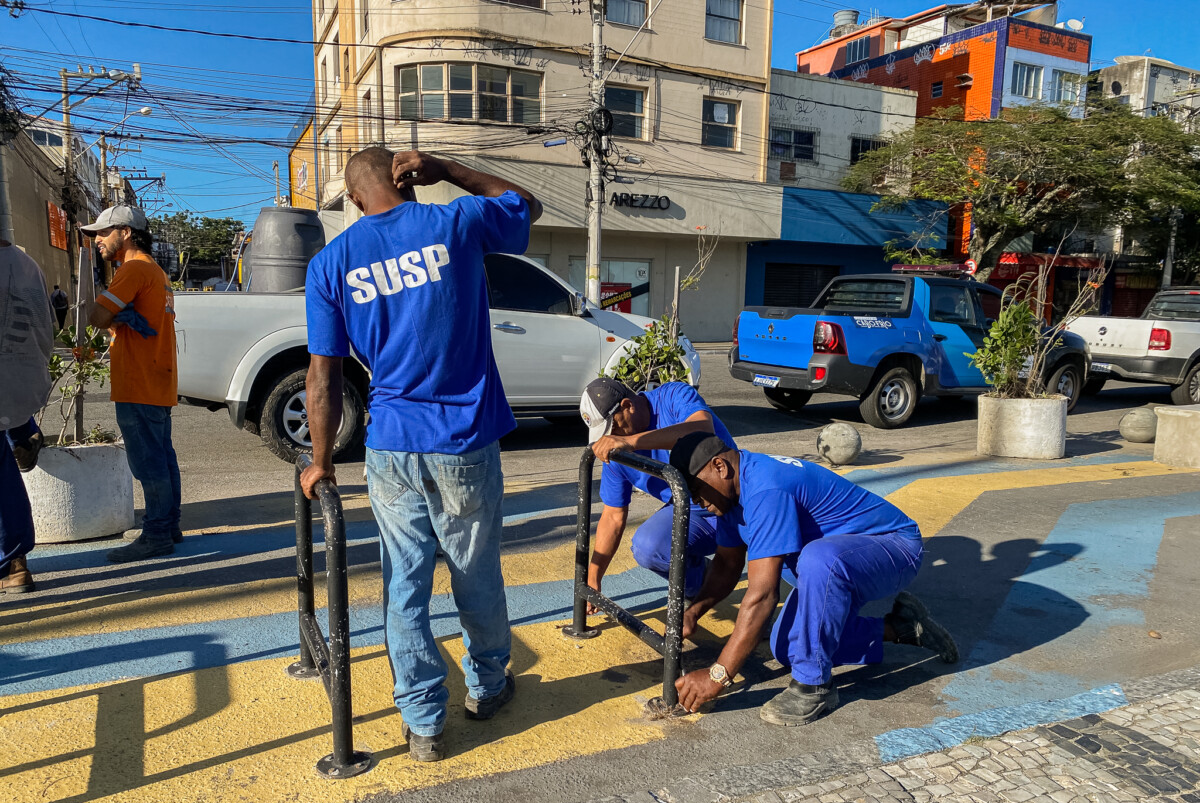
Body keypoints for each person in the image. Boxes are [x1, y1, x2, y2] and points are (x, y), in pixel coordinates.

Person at [302, 146, 542, 763]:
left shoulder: (332, 264)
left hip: (391, 445)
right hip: (464, 440)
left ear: (355, 200)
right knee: (475, 572)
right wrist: (451, 168)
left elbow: (322, 378)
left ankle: (424, 723)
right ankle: (487, 688)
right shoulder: (454, 223)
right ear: (408, 181)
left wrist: (321, 461)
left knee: (402, 586)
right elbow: (525, 206)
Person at [667, 432, 958, 725]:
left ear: (720, 467)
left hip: (893, 547)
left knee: (819, 560)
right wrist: (694, 612)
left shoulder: (766, 490)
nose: (695, 501)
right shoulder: (731, 495)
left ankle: (813, 688)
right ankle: (903, 627)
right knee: (790, 648)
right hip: (838, 565)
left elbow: (763, 596)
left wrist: (718, 675)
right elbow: (727, 565)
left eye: (694, 489)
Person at [580, 376, 735, 608]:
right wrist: (593, 577)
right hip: (693, 510)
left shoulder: (672, 396)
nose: (611, 437)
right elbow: (613, 515)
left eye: (613, 428)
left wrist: (633, 442)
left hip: (736, 500)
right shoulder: (616, 448)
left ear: (627, 406)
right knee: (648, 547)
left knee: (783, 566)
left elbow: (703, 428)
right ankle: (706, 586)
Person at [83, 205, 182, 562]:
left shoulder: (133, 270)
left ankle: (156, 534)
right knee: (163, 456)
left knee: (148, 462)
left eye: (103, 232)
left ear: (125, 232)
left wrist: (109, 315)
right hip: (156, 378)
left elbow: (96, 315)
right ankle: (169, 526)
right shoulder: (155, 271)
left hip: (139, 380)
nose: (97, 239)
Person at [0, 239, 54, 593]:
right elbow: (46, 323)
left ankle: (11, 561)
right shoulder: (24, 262)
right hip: (16, 370)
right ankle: (23, 430)